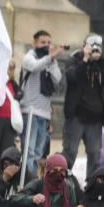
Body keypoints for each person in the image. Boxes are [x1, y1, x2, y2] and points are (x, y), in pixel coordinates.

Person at [63, 34, 104, 176]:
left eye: (98, 47)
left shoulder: (100, 64)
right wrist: (85, 60)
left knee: (94, 153)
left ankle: (91, 185)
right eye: (91, 46)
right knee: (70, 151)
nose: (94, 50)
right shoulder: (75, 60)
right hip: (76, 117)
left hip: (95, 119)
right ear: (84, 46)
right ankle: (62, 179)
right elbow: (73, 77)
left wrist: (101, 59)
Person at [20, 30, 64, 166]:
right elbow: (34, 67)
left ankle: (33, 182)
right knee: (29, 151)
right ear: (35, 43)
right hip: (30, 111)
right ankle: (26, 182)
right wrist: (49, 57)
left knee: (39, 153)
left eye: (49, 43)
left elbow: (57, 79)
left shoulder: (50, 60)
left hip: (45, 113)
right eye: (43, 42)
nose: (46, 45)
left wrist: (52, 61)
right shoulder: (29, 57)